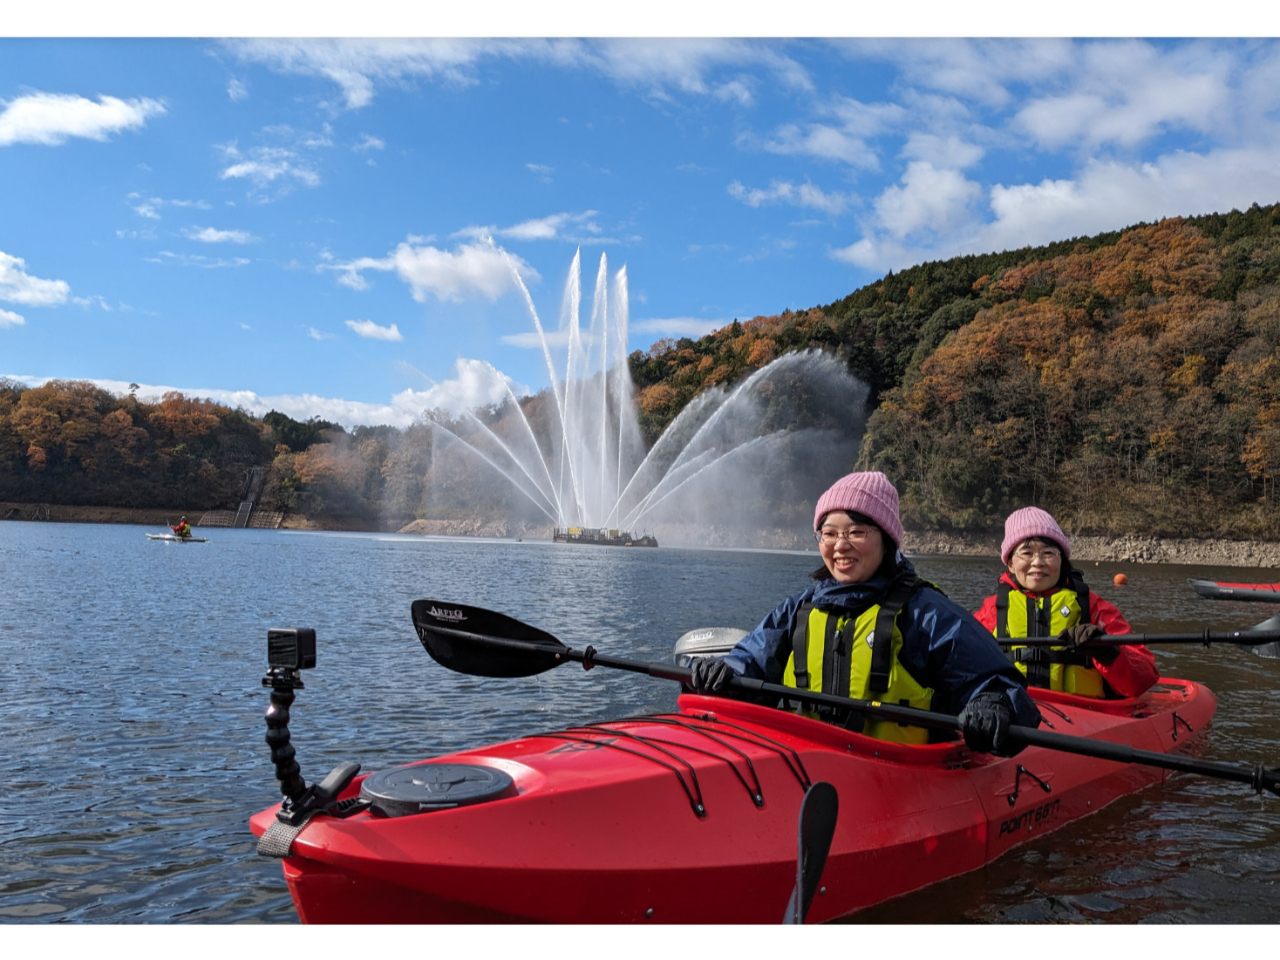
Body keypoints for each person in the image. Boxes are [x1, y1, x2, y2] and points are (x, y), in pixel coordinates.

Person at [688, 471, 1041, 756]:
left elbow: (999, 684)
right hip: (809, 763)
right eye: (828, 533)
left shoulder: (926, 613)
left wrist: (995, 705)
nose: (840, 545)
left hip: (902, 773)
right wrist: (721, 673)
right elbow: (751, 662)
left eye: (856, 532)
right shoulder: (799, 609)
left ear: (886, 540)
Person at [973, 507, 1157, 699]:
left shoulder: (1093, 607)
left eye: (1048, 553)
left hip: (1084, 718)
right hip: (1013, 713)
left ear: (1062, 560)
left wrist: (1108, 652)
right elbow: (962, 666)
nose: (1038, 562)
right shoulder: (992, 610)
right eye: (1026, 553)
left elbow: (1144, 679)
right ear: (1010, 563)